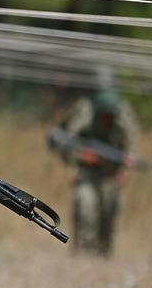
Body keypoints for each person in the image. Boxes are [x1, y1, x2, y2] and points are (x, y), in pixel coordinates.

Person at [52, 89, 139, 256]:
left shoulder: (122, 117)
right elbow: (67, 141)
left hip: (110, 171)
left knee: (109, 207)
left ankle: (104, 252)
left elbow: (130, 143)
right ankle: (85, 252)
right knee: (86, 206)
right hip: (86, 171)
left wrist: (125, 169)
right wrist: (79, 159)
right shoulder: (85, 114)